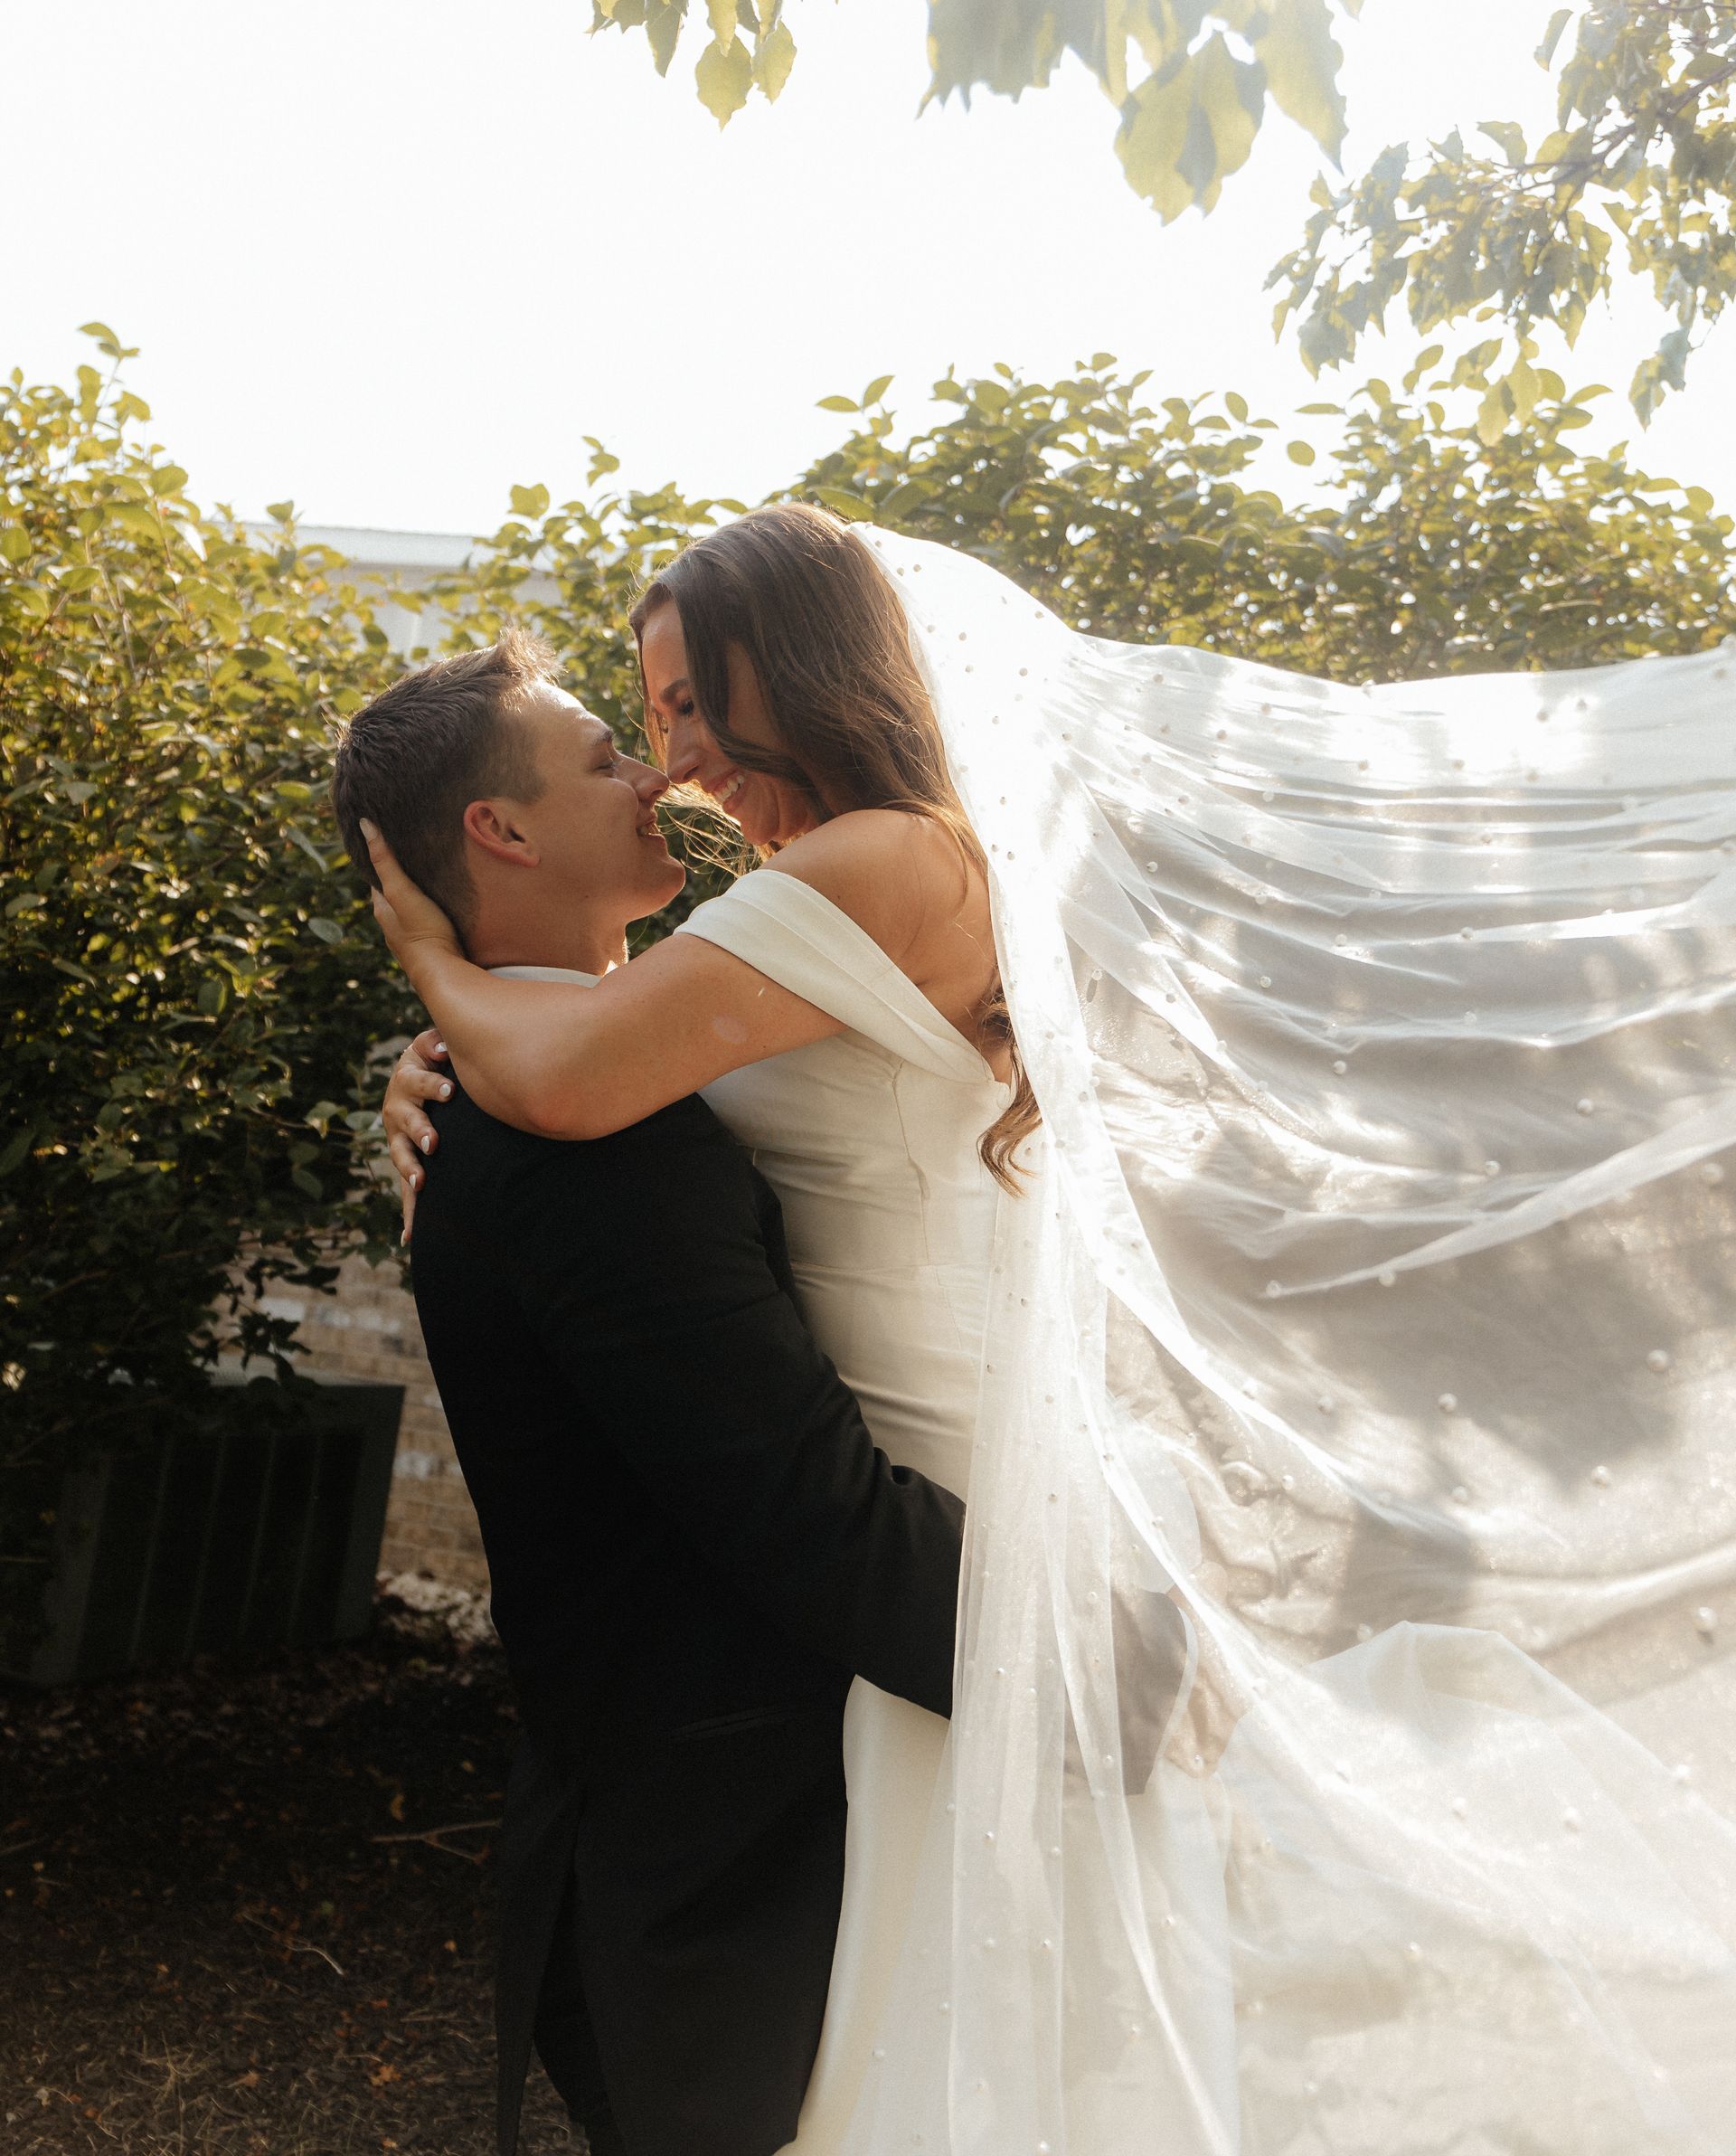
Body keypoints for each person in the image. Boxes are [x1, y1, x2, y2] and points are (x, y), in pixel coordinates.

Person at [373, 506, 1736, 2156]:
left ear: (791, 668)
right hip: (914, 1526)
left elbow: (583, 1078)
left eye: (682, 702)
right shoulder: (842, 892)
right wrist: (456, 1063)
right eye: (636, 722)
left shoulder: (876, 864)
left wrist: (434, 971)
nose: (666, 761)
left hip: (930, 1540)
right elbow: (603, 1090)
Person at [330, 628, 966, 2156]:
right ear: (503, 828)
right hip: (736, 1874)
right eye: (605, 754)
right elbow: (803, 1514)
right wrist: (1112, 1667)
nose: (656, 770)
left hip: (693, 1840)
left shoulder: (571, 1080)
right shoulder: (588, 1142)